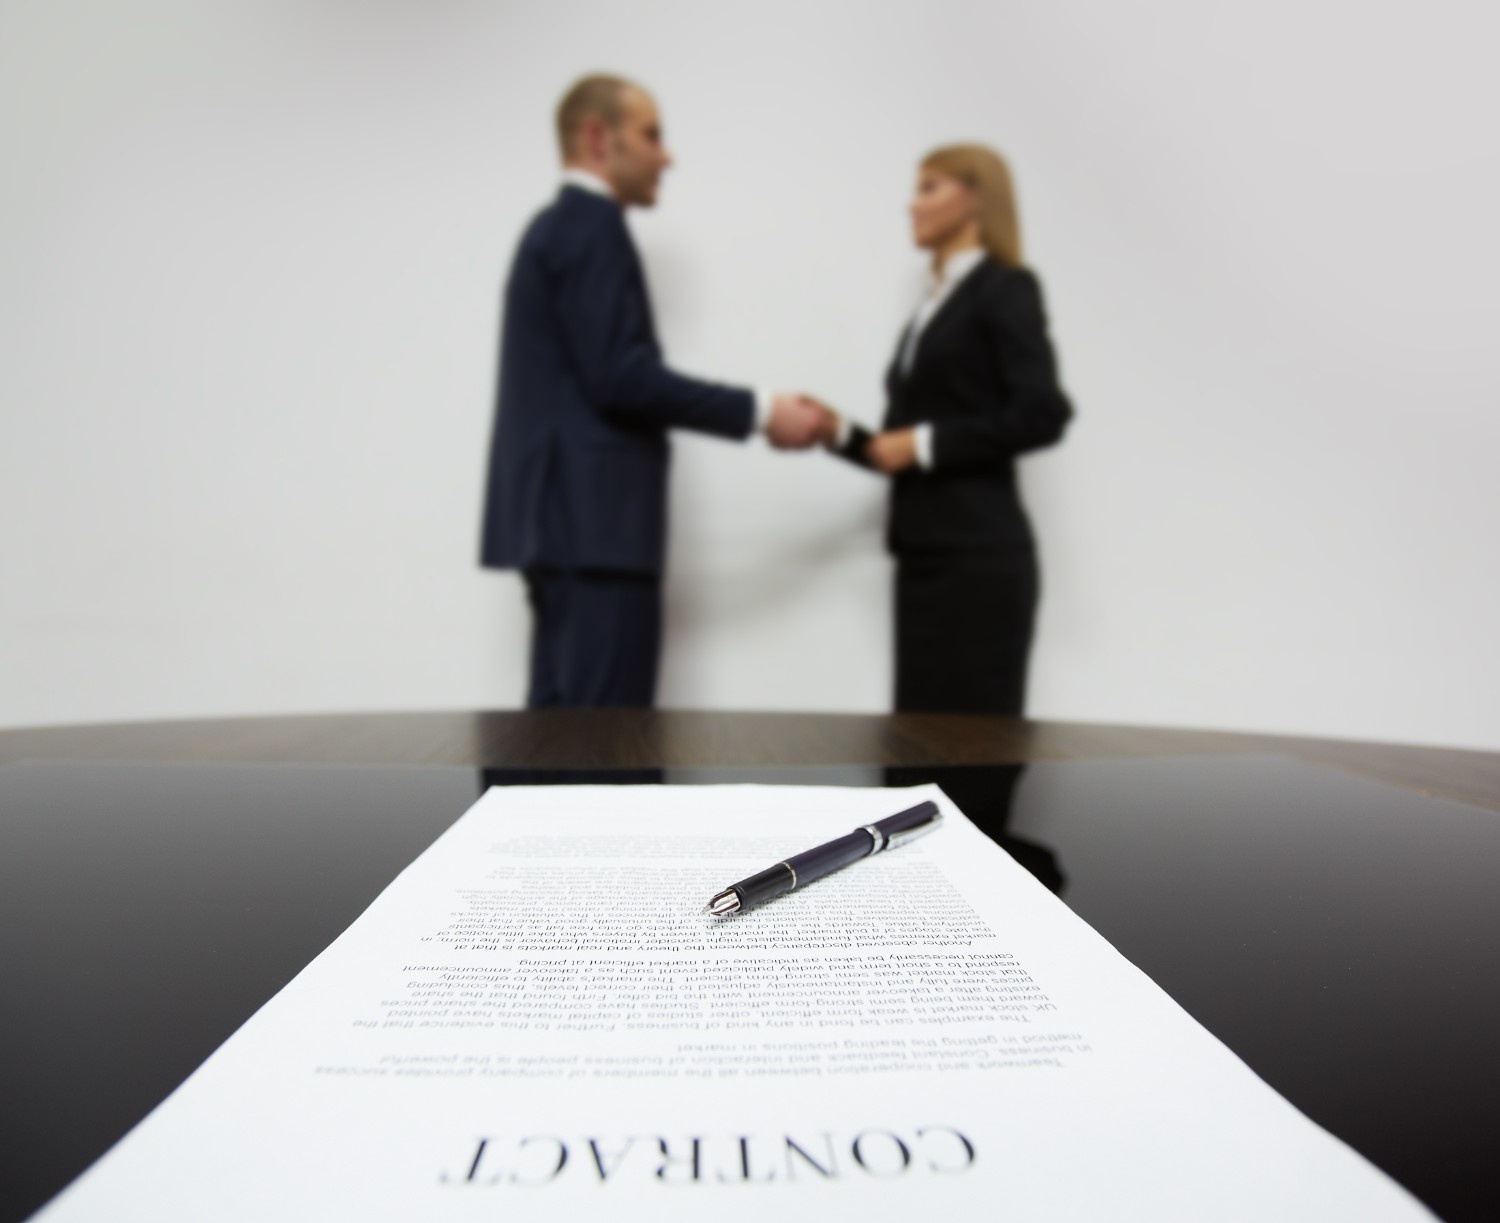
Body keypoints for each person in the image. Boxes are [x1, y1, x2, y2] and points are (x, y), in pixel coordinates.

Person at [479, 75, 830, 708]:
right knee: (604, 765)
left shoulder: (554, 227)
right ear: (596, 136)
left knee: (557, 754)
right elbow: (620, 377)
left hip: (567, 530)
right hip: (597, 534)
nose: (666, 155)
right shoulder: (592, 227)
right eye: (651, 135)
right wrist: (761, 411)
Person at [823, 145, 1072, 715]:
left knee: (972, 760)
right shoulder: (932, 304)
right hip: (923, 557)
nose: (911, 205)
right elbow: (901, 449)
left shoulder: (1006, 287)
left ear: (977, 196)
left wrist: (924, 442)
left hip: (979, 564)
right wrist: (835, 432)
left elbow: (1044, 412)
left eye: (929, 187)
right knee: (916, 753)